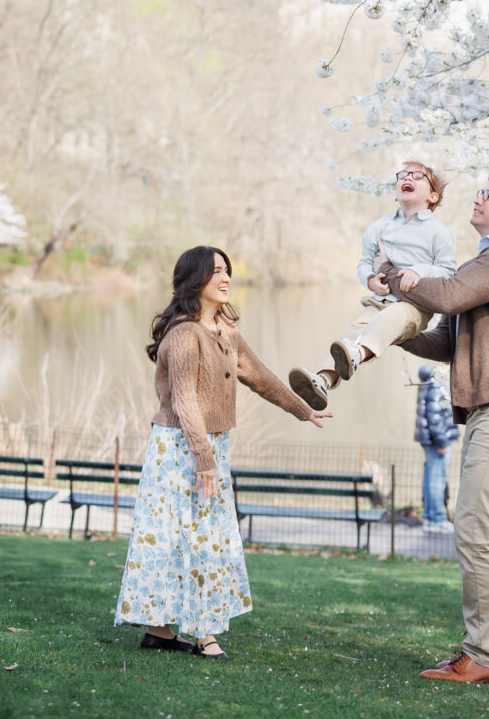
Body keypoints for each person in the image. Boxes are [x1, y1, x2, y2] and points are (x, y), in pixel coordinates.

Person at [115, 246, 330, 660]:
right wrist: (204, 459)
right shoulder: (184, 334)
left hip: (209, 445)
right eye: (216, 271)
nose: (226, 277)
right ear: (195, 279)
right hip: (180, 447)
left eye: (227, 270)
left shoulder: (225, 332)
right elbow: (184, 401)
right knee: (187, 537)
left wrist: (302, 409)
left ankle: (161, 632)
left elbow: (259, 375)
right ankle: (202, 633)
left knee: (203, 536)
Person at [379, 169, 489, 683]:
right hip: (488, 410)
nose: (476, 199)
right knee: (484, 531)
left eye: (487, 194)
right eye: (478, 191)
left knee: (473, 527)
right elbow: (445, 341)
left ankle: (483, 655)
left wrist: (391, 274)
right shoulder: (484, 263)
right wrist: (392, 329)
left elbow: (448, 295)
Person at [288, 161, 457, 410]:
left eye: (417, 176)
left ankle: (356, 354)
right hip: (380, 300)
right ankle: (323, 380)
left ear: (433, 196)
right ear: (396, 192)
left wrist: (419, 271)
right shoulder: (379, 227)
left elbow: (448, 270)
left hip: (414, 307)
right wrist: (370, 279)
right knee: (352, 333)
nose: (408, 178)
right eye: (403, 175)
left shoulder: (438, 232)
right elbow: (365, 262)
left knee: (386, 322)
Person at [415, 366, 460, 533]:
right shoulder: (437, 383)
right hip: (437, 442)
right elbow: (435, 416)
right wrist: (442, 442)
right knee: (436, 481)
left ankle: (429, 517)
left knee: (431, 479)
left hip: (431, 440)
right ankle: (437, 519)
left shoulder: (429, 381)